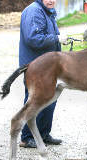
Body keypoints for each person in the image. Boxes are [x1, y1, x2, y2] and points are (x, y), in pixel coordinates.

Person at [19, 0, 63, 148]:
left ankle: (43, 134)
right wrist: (56, 38)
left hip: (47, 65)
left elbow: (48, 34)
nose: (51, 0)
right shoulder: (34, 11)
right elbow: (33, 39)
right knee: (34, 100)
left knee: (50, 99)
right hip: (34, 66)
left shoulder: (47, 11)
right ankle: (26, 137)